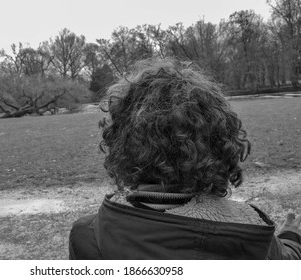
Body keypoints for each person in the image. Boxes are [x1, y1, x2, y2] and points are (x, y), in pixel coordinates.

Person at [69, 58, 301, 260]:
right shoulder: (251, 231)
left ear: (120, 144)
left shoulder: (88, 235)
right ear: (221, 141)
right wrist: (290, 236)